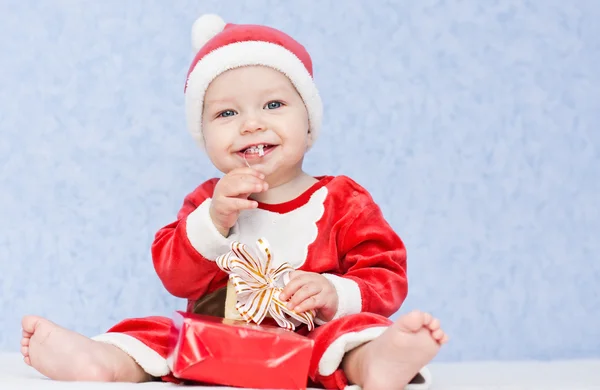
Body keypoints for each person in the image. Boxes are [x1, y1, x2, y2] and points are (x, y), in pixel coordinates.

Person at [20, 14, 448, 390]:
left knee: (353, 335)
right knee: (158, 333)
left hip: (305, 343)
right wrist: (215, 221)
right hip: (215, 343)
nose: (251, 124)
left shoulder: (341, 199)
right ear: (204, 135)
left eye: (274, 104)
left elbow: (385, 272)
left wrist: (334, 292)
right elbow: (175, 276)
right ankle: (103, 362)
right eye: (227, 114)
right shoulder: (207, 201)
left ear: (310, 122)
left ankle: (377, 364)